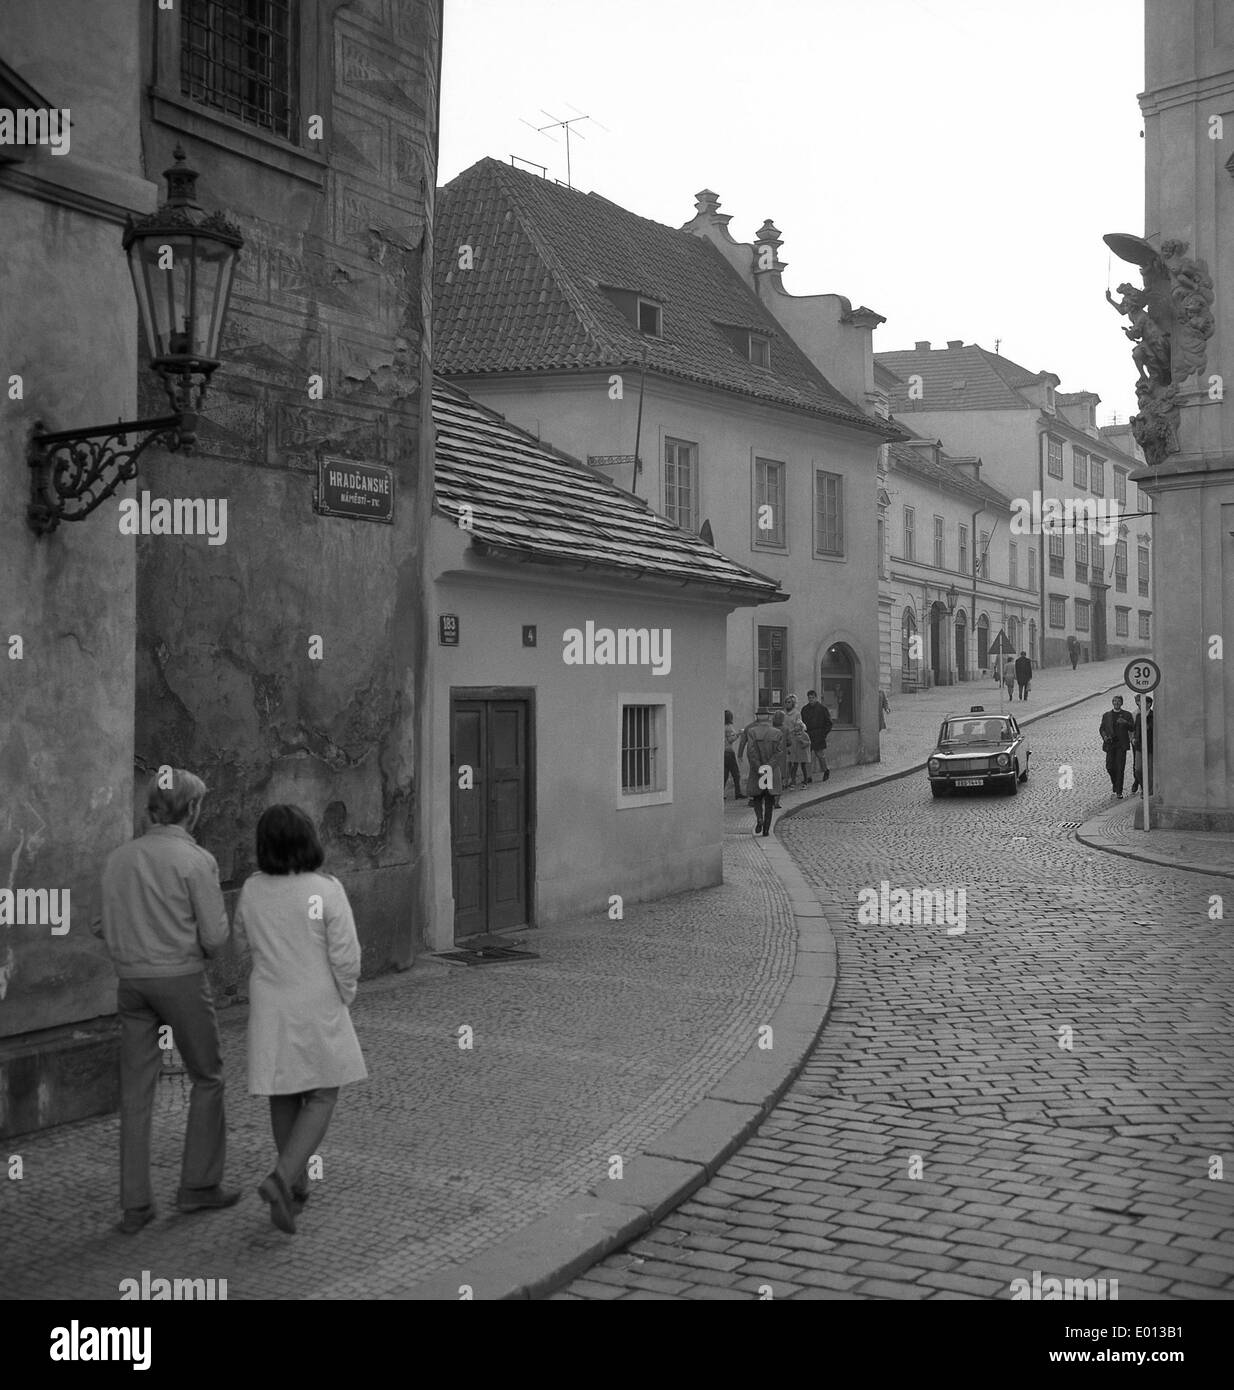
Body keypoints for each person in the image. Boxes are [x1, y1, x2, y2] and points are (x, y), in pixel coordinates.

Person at [98, 768, 238, 1235]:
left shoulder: (120, 858)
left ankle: (135, 1204)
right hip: (180, 977)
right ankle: (197, 1184)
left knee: (135, 1093)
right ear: (192, 809)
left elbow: (100, 925)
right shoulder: (195, 860)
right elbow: (216, 937)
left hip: (131, 980)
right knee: (207, 1075)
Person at [234, 805, 368, 1235]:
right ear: (308, 840)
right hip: (316, 1001)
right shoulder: (325, 889)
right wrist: (344, 995)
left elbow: (241, 946)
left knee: (283, 1093)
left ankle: (296, 1186)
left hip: (271, 1003)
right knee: (323, 1094)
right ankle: (281, 1178)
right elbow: (346, 954)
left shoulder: (252, 890)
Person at [738, 707, 785, 836]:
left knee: (757, 797)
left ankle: (759, 818)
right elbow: (779, 753)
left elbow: (751, 752)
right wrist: (768, 767)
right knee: (770, 800)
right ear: (769, 717)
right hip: (771, 771)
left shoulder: (752, 731)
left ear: (757, 717)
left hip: (757, 771)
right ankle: (766, 829)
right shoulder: (777, 732)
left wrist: (759, 767)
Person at [1099, 694, 1136, 798]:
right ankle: (1115, 784)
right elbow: (1102, 729)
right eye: (1115, 701)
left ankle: (1119, 791)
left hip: (1121, 745)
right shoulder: (1107, 715)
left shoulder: (1127, 715)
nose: (1116, 703)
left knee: (1120, 768)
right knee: (1110, 767)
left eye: (1118, 701)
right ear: (1112, 702)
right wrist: (1105, 737)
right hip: (1110, 745)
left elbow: (1132, 728)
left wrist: (1125, 722)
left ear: (1122, 703)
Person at [801, 689, 832, 782]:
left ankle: (826, 770)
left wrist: (823, 734)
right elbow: (802, 723)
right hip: (808, 735)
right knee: (808, 757)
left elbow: (829, 723)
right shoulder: (805, 709)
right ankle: (808, 777)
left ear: (816, 698)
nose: (811, 700)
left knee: (820, 755)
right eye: (809, 698)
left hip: (819, 734)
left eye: (812, 698)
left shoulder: (822, 709)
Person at [782, 695, 812, 787]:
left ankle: (792, 780)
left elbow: (799, 726)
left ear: (793, 703)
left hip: (793, 739)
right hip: (784, 739)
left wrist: (793, 732)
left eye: (789, 702)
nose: (787, 704)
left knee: (792, 762)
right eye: (786, 702)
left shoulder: (797, 713)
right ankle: (785, 780)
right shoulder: (783, 713)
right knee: (786, 761)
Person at [1131, 695, 1155, 796]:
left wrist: (1149, 727)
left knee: (1149, 770)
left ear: (1149, 704)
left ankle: (1148, 791)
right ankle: (1143, 786)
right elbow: (1135, 729)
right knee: (1138, 769)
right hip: (1139, 747)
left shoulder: (1154, 716)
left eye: (1142, 702)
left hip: (1150, 747)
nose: (1139, 704)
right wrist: (1133, 738)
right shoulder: (1138, 716)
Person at [723, 709, 743, 800]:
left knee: (725, 774)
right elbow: (730, 739)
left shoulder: (721, 726)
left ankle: (721, 793)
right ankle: (738, 793)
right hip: (729, 752)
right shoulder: (729, 727)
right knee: (736, 774)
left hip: (723, 752)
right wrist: (738, 734)